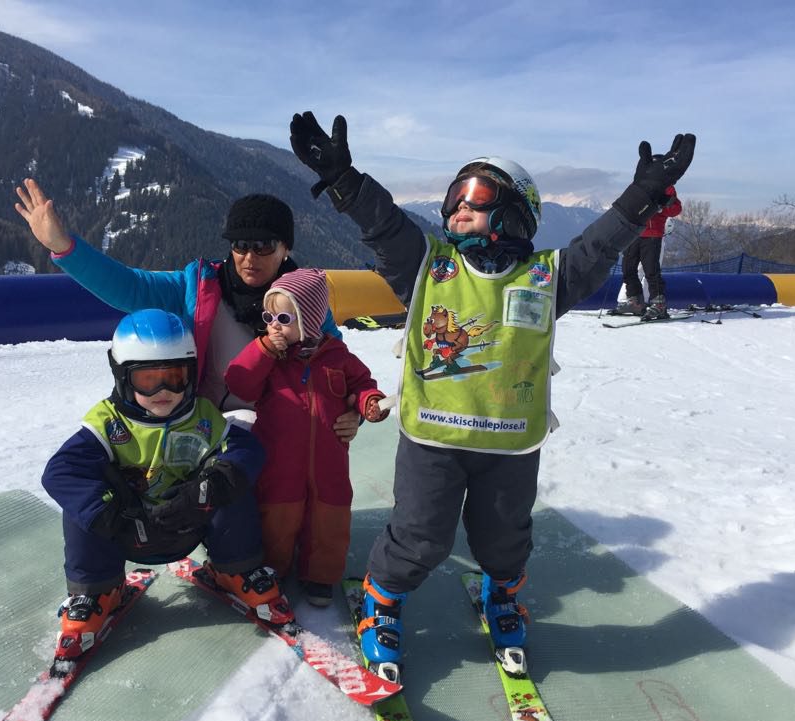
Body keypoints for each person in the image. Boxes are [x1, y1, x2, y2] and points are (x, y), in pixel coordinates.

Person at [289, 110, 695, 682]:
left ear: (514, 210)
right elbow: (384, 228)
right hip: (434, 438)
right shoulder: (428, 267)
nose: (457, 210)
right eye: (453, 200)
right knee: (420, 536)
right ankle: (382, 602)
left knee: (505, 541)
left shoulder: (547, 278)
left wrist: (645, 193)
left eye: (472, 199)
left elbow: (599, 246)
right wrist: (343, 181)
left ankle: (502, 593)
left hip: (509, 446)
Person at [13, 180, 362, 439]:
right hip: (207, 430)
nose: (249, 257)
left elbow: (337, 364)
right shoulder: (199, 285)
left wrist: (351, 410)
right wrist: (64, 247)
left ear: (285, 248)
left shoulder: (305, 300)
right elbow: (130, 288)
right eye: (240, 245)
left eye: (263, 245)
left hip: (285, 429)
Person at [42, 308, 292, 661]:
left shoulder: (201, 417)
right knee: (81, 505)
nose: (164, 391)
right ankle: (96, 591)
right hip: (127, 530)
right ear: (123, 377)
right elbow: (60, 471)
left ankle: (237, 570)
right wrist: (110, 515)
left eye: (175, 378)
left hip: (189, 520)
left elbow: (245, 450)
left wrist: (212, 487)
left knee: (231, 483)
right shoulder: (108, 423)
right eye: (148, 380)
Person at [225, 268, 389, 606]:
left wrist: (369, 404)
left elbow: (362, 385)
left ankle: (320, 576)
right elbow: (238, 382)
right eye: (268, 316)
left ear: (310, 319)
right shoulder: (272, 359)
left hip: (328, 459)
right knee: (278, 516)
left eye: (284, 317)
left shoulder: (338, 358)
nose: (273, 324)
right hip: (279, 458)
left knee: (328, 518)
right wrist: (264, 349)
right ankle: (274, 568)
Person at [614, 185, 683, 320]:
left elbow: (676, 209)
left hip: (652, 234)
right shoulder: (639, 184)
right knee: (628, 268)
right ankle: (635, 301)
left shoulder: (667, 186)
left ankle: (659, 305)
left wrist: (662, 207)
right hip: (633, 232)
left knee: (651, 270)